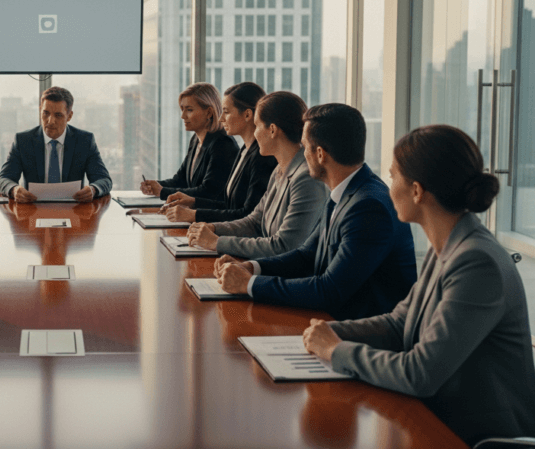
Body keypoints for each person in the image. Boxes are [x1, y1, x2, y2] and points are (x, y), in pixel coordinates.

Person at [303, 125, 535, 445]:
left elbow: (420, 374)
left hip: (475, 437)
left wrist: (336, 350)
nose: (387, 187)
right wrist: (334, 332)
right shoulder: (448, 244)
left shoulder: (477, 262)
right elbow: (400, 324)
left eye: (392, 176)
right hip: (437, 417)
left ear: (416, 190)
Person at [213, 103, 417, 320]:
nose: (301, 153)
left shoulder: (368, 207)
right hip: (330, 324)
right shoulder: (345, 192)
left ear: (320, 154)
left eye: (304, 146)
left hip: (360, 337)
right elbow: (306, 255)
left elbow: (329, 290)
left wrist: (250, 284)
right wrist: (252, 268)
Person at [186, 91, 327, 259]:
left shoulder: (306, 179)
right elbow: (254, 221)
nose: (255, 133)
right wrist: (213, 228)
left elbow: (284, 246)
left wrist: (216, 242)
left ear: (272, 130)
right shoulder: (280, 170)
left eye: (257, 125)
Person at [162, 82, 276, 224]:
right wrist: (193, 202)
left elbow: (248, 215)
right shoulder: (244, 151)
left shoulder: (261, 157)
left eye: (226, 112)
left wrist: (194, 215)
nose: (221, 118)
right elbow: (228, 205)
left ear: (247, 114)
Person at [0, 86, 113, 203]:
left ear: (69, 116)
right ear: (40, 110)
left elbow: (103, 179)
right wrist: (14, 190)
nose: (50, 121)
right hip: (31, 210)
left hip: (74, 211)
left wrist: (93, 190)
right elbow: (3, 179)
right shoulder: (23, 141)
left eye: (58, 115)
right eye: (45, 113)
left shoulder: (84, 141)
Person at [140, 83, 239, 202]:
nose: (183, 116)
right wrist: (155, 185)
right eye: (182, 109)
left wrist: (163, 191)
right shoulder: (196, 140)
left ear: (208, 113)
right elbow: (181, 180)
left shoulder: (223, 144)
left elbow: (208, 191)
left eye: (189, 110)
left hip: (209, 218)